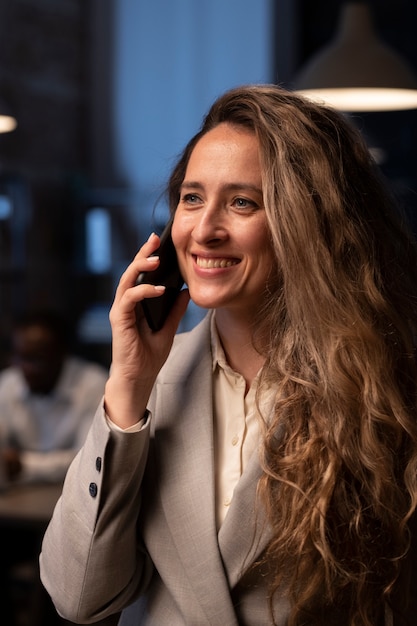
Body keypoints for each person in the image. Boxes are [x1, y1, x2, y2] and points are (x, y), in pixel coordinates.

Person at [39, 85, 417, 626]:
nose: (205, 230)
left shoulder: (384, 383)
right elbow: (80, 599)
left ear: (306, 222)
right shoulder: (147, 384)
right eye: (192, 198)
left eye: (242, 202)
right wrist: (127, 388)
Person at [0, 310, 108, 483]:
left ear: (62, 355)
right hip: (19, 493)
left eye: (36, 359)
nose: (25, 368)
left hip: (77, 491)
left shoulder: (94, 386)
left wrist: (22, 465)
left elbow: (90, 460)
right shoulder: (8, 383)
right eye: (20, 357)